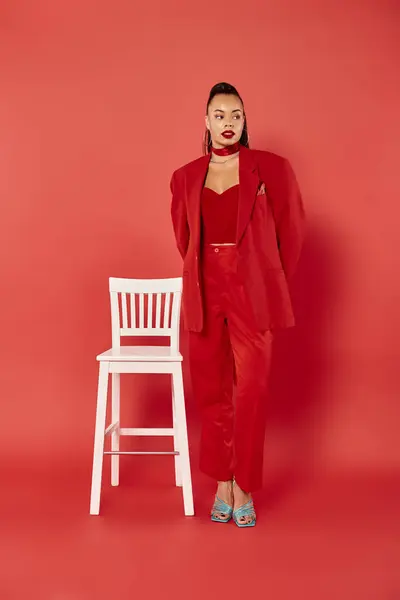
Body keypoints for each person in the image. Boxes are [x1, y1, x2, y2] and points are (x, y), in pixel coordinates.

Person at [170, 82, 305, 527]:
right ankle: (222, 481)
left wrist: (266, 278)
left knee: (250, 389)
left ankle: (245, 483)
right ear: (206, 122)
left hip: (252, 291)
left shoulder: (271, 169)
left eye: (236, 115)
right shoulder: (185, 177)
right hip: (205, 289)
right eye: (220, 115)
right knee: (211, 391)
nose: (229, 123)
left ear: (245, 122)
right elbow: (183, 239)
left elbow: (293, 232)